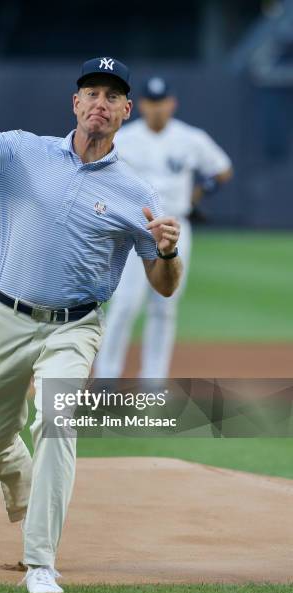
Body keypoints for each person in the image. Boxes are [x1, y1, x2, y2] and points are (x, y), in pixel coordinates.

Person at [0, 51, 182, 593]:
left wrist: (168, 252)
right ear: (75, 104)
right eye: (91, 93)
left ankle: (41, 559)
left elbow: (162, 284)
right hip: (4, 317)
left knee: (59, 421)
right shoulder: (20, 151)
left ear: (126, 113)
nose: (101, 103)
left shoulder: (137, 194)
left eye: (113, 96)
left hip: (75, 327)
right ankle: (24, 494)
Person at [94, 76, 233, 380]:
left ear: (173, 103)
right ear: (141, 105)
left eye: (163, 102)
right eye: (151, 103)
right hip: (134, 229)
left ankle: (154, 380)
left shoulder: (190, 138)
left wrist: (199, 192)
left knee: (164, 306)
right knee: (125, 304)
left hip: (175, 226)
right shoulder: (124, 138)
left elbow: (222, 169)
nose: (157, 109)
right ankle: (106, 377)